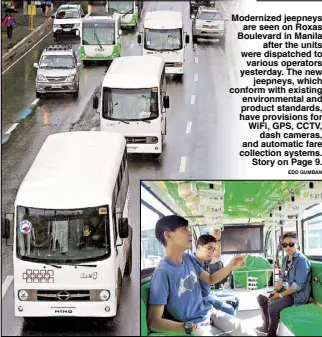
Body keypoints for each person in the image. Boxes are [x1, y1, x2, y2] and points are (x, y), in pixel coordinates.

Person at [148, 215, 254, 336]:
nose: (189, 233)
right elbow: (153, 322)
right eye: (184, 230)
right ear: (168, 235)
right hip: (194, 324)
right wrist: (187, 327)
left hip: (208, 312)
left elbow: (209, 279)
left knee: (245, 330)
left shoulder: (188, 259)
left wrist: (231, 265)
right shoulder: (162, 272)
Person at [255, 232, 311, 336]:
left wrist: (280, 295)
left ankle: (271, 334)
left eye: (291, 244)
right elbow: (281, 279)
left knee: (273, 307)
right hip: (287, 290)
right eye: (285, 245)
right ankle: (266, 326)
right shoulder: (285, 259)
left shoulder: (301, 261)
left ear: (297, 244)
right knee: (262, 298)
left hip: (297, 295)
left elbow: (297, 286)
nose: (288, 247)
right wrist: (275, 291)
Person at [193, 234, 240, 317]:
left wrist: (233, 265)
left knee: (236, 299)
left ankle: (231, 321)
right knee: (230, 309)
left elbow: (217, 256)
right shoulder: (192, 263)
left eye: (213, 249)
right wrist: (230, 266)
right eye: (209, 248)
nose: (211, 252)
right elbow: (211, 279)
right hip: (203, 298)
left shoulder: (205, 260)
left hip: (210, 293)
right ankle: (230, 324)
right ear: (199, 247)